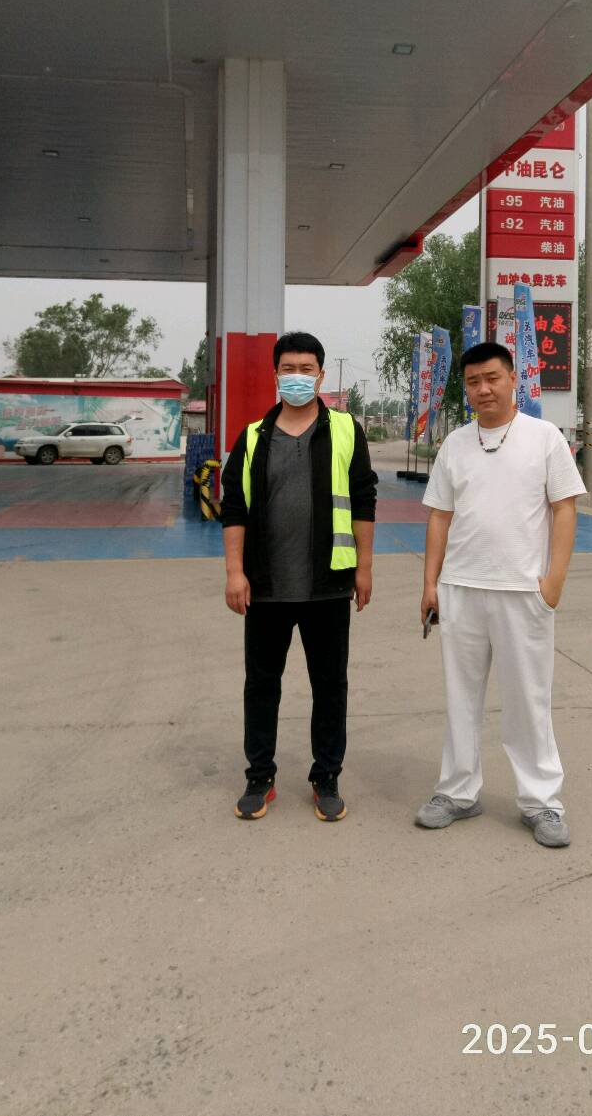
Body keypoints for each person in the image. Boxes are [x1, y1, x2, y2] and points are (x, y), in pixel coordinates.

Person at [415, 341, 586, 847]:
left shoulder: (544, 438)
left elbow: (565, 508)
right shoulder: (455, 444)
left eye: (492, 378)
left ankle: (541, 801)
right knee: (460, 697)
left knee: (528, 700)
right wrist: (430, 583)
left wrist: (553, 582)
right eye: (473, 382)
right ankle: (457, 792)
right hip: (461, 588)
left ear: (513, 379)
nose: (483, 389)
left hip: (522, 590)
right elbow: (439, 516)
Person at [221, 331, 377, 823]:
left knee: (330, 686)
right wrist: (234, 572)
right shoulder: (253, 437)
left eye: (306, 369)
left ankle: (326, 776)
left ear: (321, 376)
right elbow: (233, 507)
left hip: (327, 585)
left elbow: (364, 499)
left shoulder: (346, 430)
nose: (297, 377)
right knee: (261, 685)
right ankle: (259, 776)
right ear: (276, 375)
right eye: (289, 368)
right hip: (265, 586)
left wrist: (365, 568)